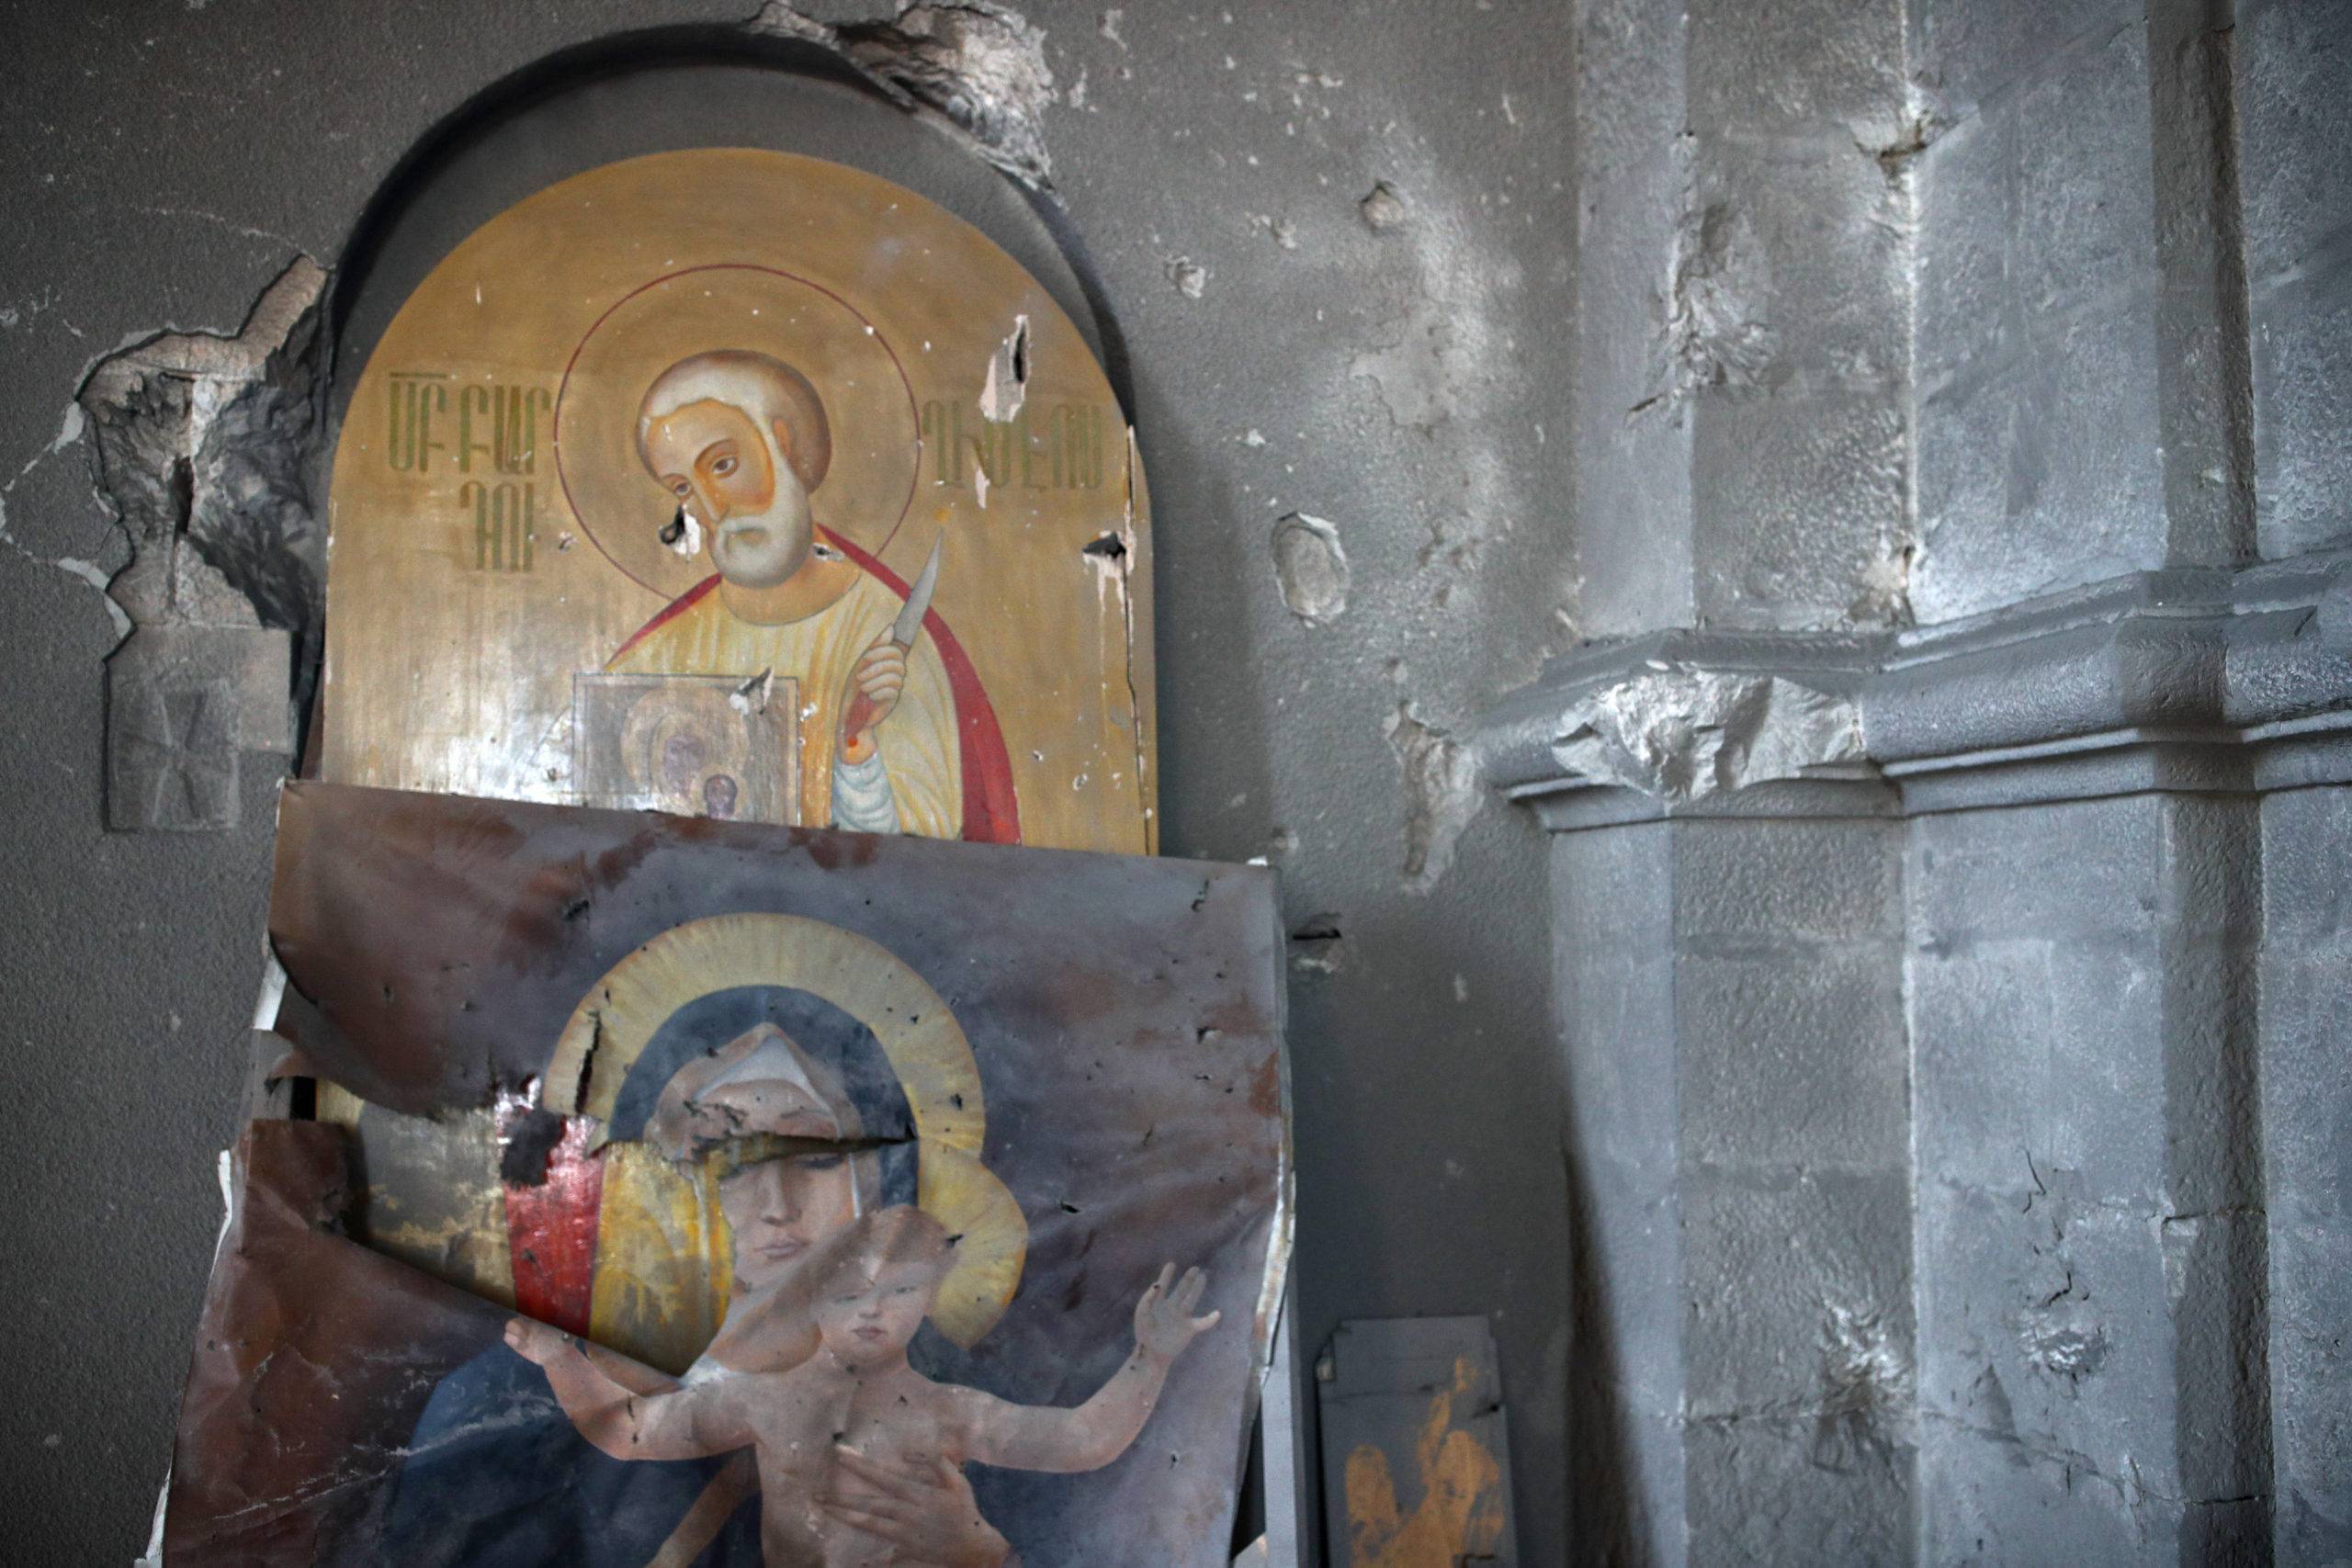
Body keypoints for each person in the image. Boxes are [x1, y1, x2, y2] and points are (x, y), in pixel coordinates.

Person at [381, 1020, 1016, 1568]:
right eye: (727, 1155)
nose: (777, 1205)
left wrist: (978, 1552)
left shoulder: (954, 1412)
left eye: (818, 1152)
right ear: (653, 1178)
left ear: (872, 1179)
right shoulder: (505, 1401)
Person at [510, 1206, 1219, 1568]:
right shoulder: (763, 1397)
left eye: (900, 1288)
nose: (874, 1309)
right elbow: (629, 1431)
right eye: (851, 1292)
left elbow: (1083, 1440)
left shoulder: (950, 1411)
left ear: (929, 1298)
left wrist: (1149, 1358)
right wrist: (556, 1359)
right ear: (814, 1298)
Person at [605, 351, 960, 838]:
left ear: (782, 444)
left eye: (724, 465)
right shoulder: (653, 658)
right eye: (684, 488)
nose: (712, 508)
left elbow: (935, 866)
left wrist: (853, 748)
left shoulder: (888, 639)